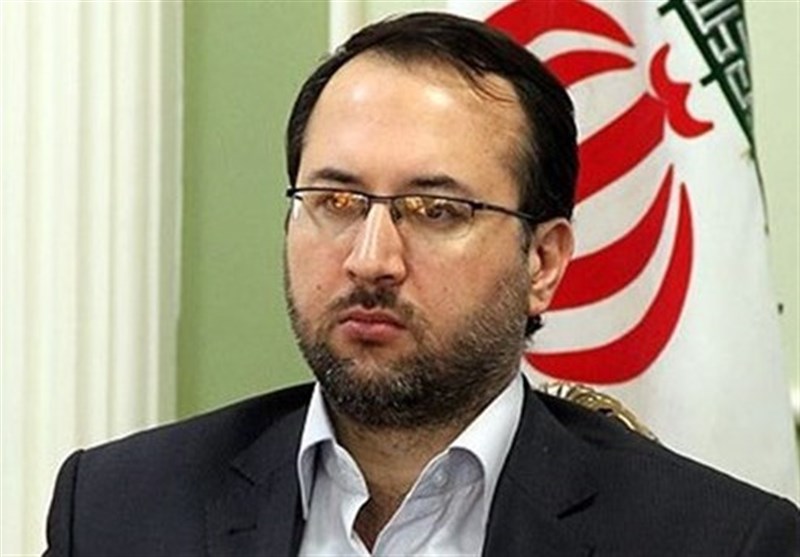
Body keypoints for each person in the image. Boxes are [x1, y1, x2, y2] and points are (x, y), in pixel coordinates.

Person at [43, 12, 799, 557]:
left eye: (436, 211)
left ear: (543, 262)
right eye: (337, 201)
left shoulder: (716, 539)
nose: (371, 259)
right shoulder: (116, 509)